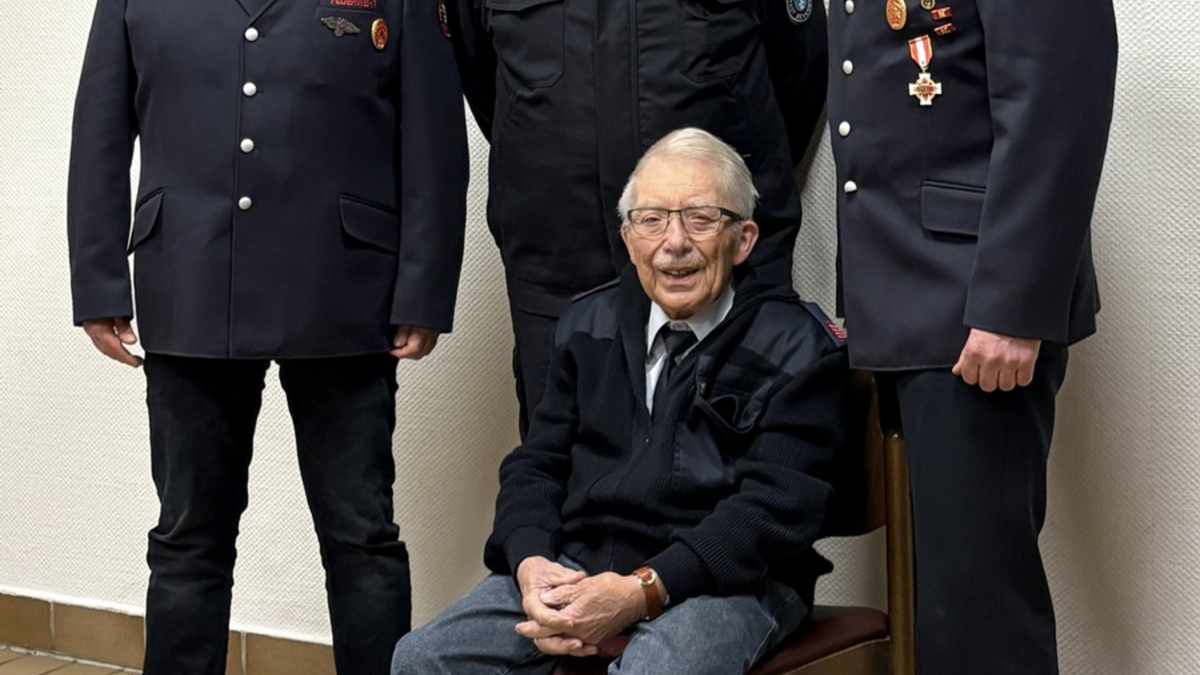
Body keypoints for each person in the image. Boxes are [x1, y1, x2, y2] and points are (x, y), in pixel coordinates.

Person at [67, 1, 468, 673]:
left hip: (343, 291)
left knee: (361, 537)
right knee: (188, 538)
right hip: (188, 284)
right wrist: (100, 282)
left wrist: (423, 290)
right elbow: (100, 133)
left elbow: (433, 139)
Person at [391, 128, 848, 675]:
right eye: (651, 220)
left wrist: (642, 592)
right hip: (580, 566)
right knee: (423, 660)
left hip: (734, 583)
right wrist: (530, 561)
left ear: (744, 238)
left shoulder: (800, 346)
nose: (674, 242)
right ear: (629, 241)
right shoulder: (587, 324)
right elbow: (537, 467)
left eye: (701, 218)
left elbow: (777, 510)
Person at [826, 2, 1118, 673]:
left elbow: (1057, 98)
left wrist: (1013, 307)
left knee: (982, 620)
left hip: (973, 303)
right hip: (903, 297)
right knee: (946, 610)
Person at [445, 0, 830, 434]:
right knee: (565, 477)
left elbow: (799, 69)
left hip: (725, 273)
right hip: (557, 273)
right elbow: (485, 80)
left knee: (744, 475)